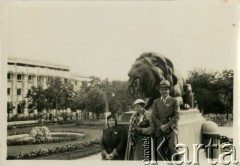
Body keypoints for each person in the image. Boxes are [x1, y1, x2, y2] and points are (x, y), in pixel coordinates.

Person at [152, 80, 180, 161]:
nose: (164, 91)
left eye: (166, 89)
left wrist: (167, 126)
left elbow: (177, 115)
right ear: (159, 90)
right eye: (162, 89)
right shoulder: (156, 102)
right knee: (160, 150)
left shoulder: (174, 101)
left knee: (172, 148)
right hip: (159, 130)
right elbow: (154, 116)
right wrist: (161, 126)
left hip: (171, 129)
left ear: (169, 90)